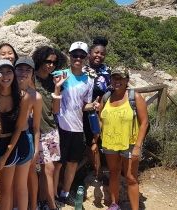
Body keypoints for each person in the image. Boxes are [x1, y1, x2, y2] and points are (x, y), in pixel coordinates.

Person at [98, 67, 148, 210]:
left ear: (127, 80)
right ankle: (115, 205)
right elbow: (100, 117)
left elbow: (144, 122)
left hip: (130, 144)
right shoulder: (106, 97)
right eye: (114, 78)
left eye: (120, 78)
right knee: (113, 173)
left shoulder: (135, 97)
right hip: (110, 143)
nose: (117, 81)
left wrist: (138, 146)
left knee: (130, 177)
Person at [56, 41, 98, 206]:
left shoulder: (89, 80)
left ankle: (64, 193)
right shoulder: (61, 74)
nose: (78, 58)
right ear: (69, 55)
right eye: (75, 55)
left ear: (86, 57)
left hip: (77, 127)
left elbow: (84, 105)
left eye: (81, 55)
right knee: (58, 163)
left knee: (72, 163)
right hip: (60, 126)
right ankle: (52, 193)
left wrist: (93, 105)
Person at [0, 57, 33, 210]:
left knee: (5, 189)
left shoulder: (23, 97)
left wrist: (5, 156)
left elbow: (19, 128)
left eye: (9, 71)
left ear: (14, 74)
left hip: (14, 144)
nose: (5, 75)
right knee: (5, 189)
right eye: (0, 72)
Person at [32, 46, 68, 210]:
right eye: (48, 61)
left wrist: (57, 87)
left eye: (54, 62)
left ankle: (45, 202)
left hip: (50, 130)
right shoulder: (32, 78)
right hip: (33, 131)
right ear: (40, 60)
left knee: (49, 167)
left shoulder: (53, 81)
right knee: (38, 169)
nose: (51, 65)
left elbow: (55, 109)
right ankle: (43, 203)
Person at [13, 57, 43, 210]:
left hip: (24, 139)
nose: (23, 73)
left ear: (32, 74)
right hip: (8, 139)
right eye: (20, 69)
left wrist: (36, 148)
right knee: (8, 183)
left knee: (21, 183)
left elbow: (36, 126)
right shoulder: (7, 90)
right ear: (14, 70)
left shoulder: (36, 97)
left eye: (27, 70)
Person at [83, 37, 111, 180]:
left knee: (103, 142)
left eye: (102, 54)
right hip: (87, 113)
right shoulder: (82, 70)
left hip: (105, 112)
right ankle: (95, 172)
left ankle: (104, 171)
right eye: (96, 52)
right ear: (89, 53)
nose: (99, 56)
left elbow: (113, 90)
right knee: (91, 142)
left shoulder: (107, 70)